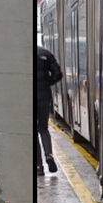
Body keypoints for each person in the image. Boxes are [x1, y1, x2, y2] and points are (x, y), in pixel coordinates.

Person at [36, 45, 63, 176]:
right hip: (44, 97)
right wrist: (47, 83)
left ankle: (38, 166)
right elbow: (58, 73)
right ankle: (49, 155)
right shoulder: (45, 54)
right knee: (43, 128)